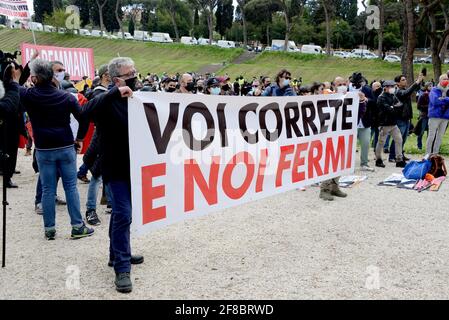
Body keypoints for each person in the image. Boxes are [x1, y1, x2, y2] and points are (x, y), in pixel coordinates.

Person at [80, 57, 143, 293]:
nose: (135, 76)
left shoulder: (136, 97)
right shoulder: (105, 100)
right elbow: (84, 111)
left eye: (135, 71)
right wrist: (115, 93)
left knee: (122, 214)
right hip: (114, 169)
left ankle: (116, 253)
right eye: (130, 73)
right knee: (123, 214)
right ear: (116, 79)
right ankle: (122, 268)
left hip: (134, 168)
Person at [19, 58, 94, 240]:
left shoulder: (28, 95)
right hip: (66, 144)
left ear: (35, 78)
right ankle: (77, 226)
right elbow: (83, 118)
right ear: (53, 76)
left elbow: (15, 85)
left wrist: (28, 68)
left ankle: (49, 229)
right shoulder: (67, 97)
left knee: (47, 189)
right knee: (70, 187)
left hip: (44, 148)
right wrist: (80, 139)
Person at [388, 73, 424, 161]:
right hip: (400, 118)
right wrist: (416, 83)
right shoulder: (397, 91)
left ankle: (400, 155)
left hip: (406, 117)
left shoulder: (403, 89)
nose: (405, 81)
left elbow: (411, 90)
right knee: (398, 138)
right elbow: (406, 93)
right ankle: (392, 156)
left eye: (405, 79)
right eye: (403, 80)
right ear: (397, 83)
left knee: (403, 138)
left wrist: (418, 82)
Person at [374, 80, 407, 168]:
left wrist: (393, 107)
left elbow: (400, 105)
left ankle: (399, 160)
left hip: (393, 123)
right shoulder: (381, 97)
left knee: (399, 140)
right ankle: (378, 159)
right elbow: (388, 109)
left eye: (394, 86)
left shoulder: (393, 96)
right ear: (386, 87)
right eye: (391, 87)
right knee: (381, 142)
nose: (393, 88)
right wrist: (393, 107)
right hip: (384, 123)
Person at [425, 74, 449, 155]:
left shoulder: (448, 90)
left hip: (445, 116)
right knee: (431, 136)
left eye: (447, 79)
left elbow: (440, 100)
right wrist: (447, 100)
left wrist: (443, 99)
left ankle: (435, 153)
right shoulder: (434, 90)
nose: (446, 80)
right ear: (439, 80)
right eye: (444, 79)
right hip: (434, 116)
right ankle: (427, 154)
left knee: (440, 136)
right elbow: (435, 101)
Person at [415, 82, 432, 150]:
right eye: (430, 86)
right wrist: (428, 106)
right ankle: (419, 146)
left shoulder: (433, 95)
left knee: (430, 133)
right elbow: (418, 106)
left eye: (432, 86)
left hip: (431, 116)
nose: (431, 87)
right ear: (426, 87)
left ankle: (429, 147)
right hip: (424, 116)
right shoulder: (423, 95)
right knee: (421, 132)